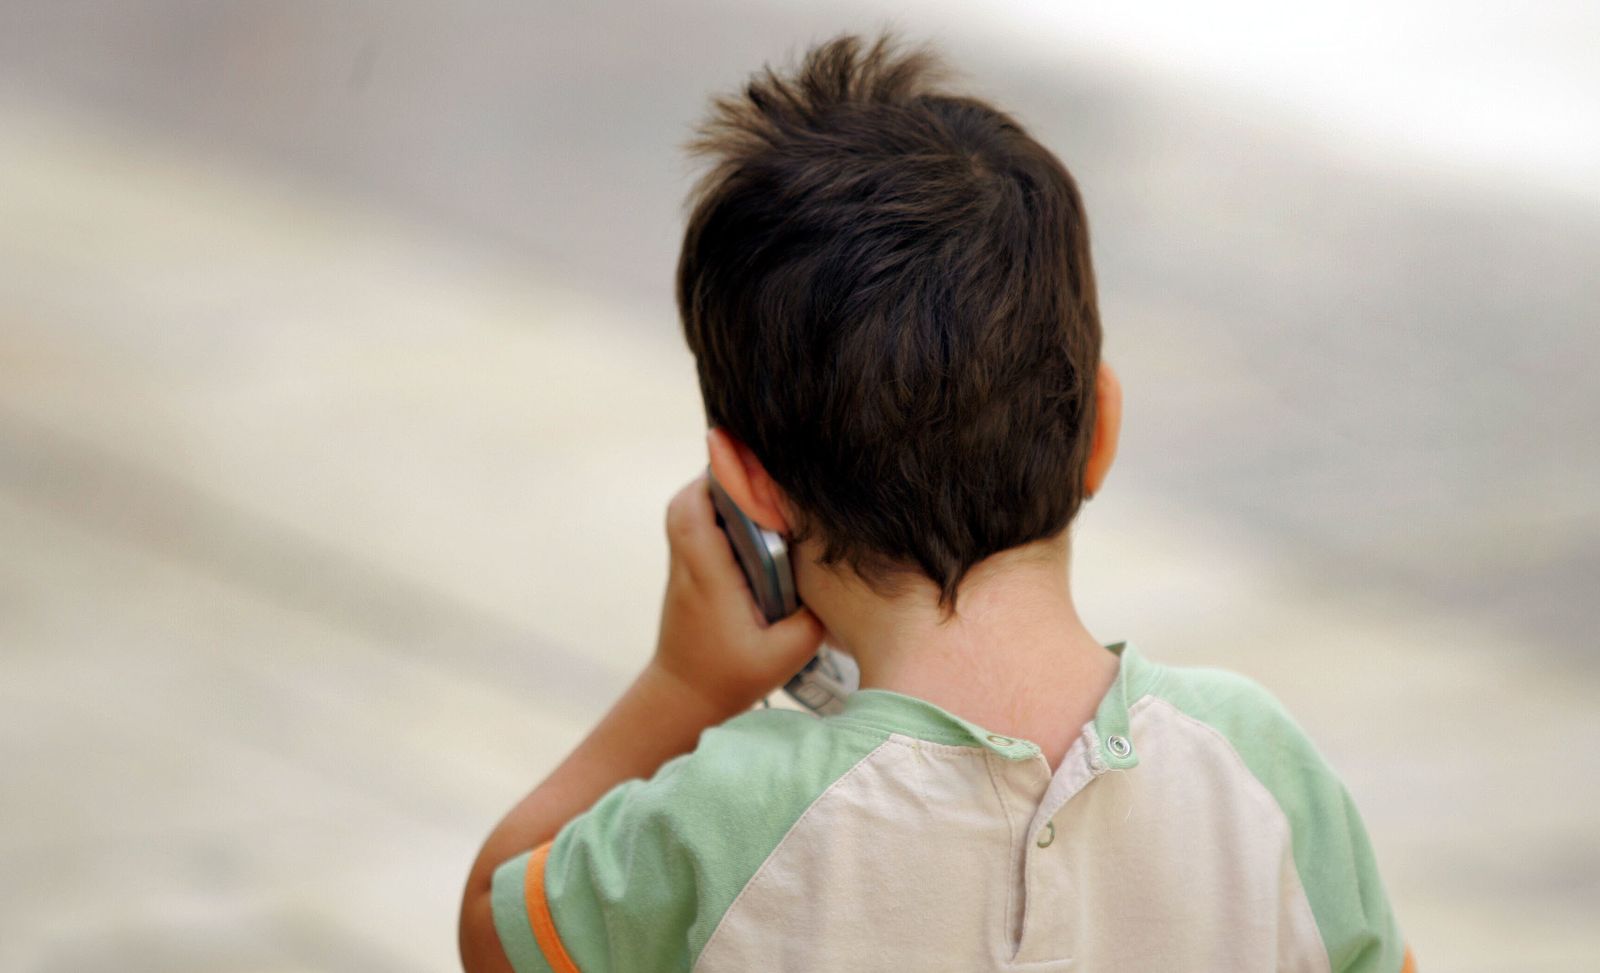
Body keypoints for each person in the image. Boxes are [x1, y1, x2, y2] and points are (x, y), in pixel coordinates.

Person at [458, 29, 1414, 973]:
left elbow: (491, 927)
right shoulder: (1259, 765)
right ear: (1103, 427)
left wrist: (685, 686)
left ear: (749, 489)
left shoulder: (724, 826)